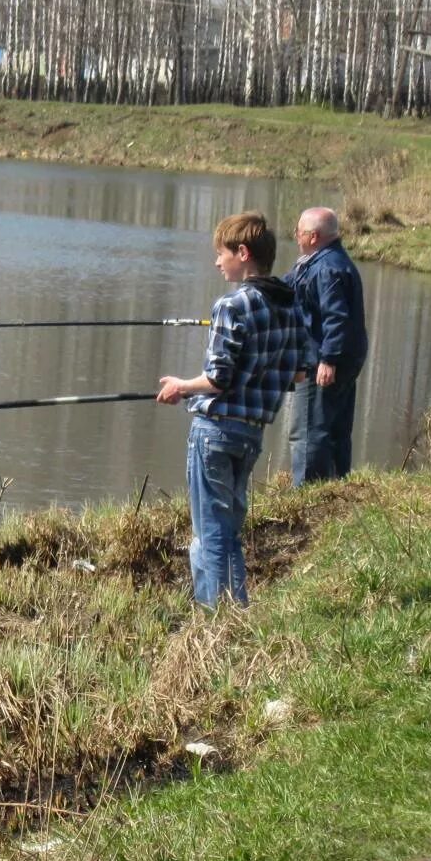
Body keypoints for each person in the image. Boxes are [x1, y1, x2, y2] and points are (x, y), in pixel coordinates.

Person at [157, 212, 304, 607]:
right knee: (230, 530)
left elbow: (218, 378)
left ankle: (213, 621)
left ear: (243, 253)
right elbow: (301, 373)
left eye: (221, 253)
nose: (217, 262)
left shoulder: (232, 305)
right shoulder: (290, 306)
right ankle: (238, 610)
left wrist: (180, 387)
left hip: (215, 433)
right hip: (252, 434)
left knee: (210, 534)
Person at [285, 207, 367, 485]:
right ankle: (337, 486)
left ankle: (308, 495)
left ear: (314, 236)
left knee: (308, 431)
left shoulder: (325, 269)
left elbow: (336, 317)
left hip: (323, 361)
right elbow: (288, 290)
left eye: (299, 232)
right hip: (346, 359)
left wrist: (328, 359)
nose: (296, 236)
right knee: (336, 429)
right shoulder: (328, 261)